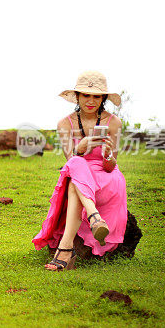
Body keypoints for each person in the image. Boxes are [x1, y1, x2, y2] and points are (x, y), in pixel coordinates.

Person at [32, 71, 128, 270]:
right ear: (77, 96)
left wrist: (108, 154)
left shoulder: (114, 123)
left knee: (74, 184)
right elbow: (71, 161)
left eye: (96, 96)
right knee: (76, 164)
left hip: (105, 175)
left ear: (103, 99)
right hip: (80, 172)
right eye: (86, 95)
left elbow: (111, 166)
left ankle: (66, 250)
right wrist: (81, 148)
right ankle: (93, 218)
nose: (91, 101)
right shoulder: (65, 124)